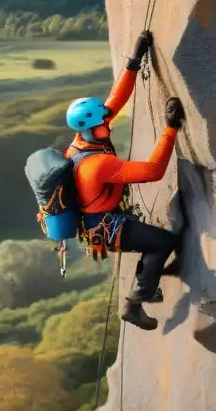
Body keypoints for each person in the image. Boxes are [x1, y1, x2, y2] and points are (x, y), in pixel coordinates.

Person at [64, 31, 185, 331]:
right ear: (92, 129)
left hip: (100, 219)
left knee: (154, 241)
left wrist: (135, 59)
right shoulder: (98, 164)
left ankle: (148, 282)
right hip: (104, 226)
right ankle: (136, 302)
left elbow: (114, 101)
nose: (108, 120)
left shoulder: (83, 140)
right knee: (162, 242)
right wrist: (171, 129)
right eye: (102, 121)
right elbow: (152, 171)